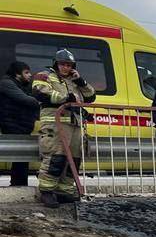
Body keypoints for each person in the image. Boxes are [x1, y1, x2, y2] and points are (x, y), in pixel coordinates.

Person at [31, 49, 95, 206]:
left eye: (69, 65)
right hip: (55, 124)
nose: (66, 67)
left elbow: (91, 97)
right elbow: (39, 92)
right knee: (55, 157)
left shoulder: (74, 81)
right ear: (56, 64)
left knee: (73, 160)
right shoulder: (45, 76)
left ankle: (64, 191)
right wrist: (65, 98)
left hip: (75, 125)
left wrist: (82, 82)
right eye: (63, 64)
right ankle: (47, 191)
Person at [0, 61, 40, 186]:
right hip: (12, 125)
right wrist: (39, 100)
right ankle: (18, 184)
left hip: (22, 125)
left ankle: (19, 184)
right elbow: (26, 100)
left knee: (22, 157)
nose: (29, 75)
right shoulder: (7, 83)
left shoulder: (22, 84)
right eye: (26, 72)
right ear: (17, 73)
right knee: (20, 156)